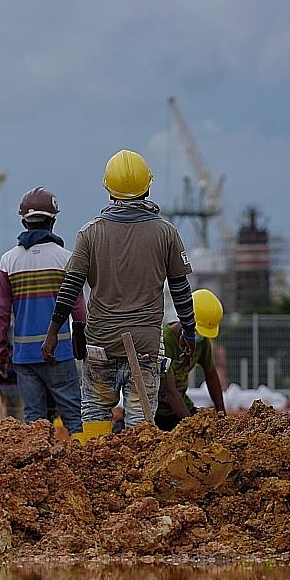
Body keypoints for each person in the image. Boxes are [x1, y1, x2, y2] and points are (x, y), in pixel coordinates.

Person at [44, 150, 196, 431]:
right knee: (139, 426)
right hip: (145, 346)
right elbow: (181, 289)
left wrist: (53, 332)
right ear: (148, 187)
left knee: (94, 414)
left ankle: (95, 472)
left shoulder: (90, 233)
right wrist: (189, 330)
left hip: (101, 342)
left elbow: (70, 288)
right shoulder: (166, 232)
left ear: (108, 189)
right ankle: (138, 473)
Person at [0, 187, 86, 431]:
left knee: (34, 421)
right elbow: (79, 311)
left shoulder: (8, 261)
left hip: (24, 356)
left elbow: (2, 314)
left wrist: (1, 353)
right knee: (73, 417)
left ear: (24, 221)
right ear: (52, 220)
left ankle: (38, 468)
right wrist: (81, 347)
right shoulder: (66, 259)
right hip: (60, 352)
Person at [156, 288, 227, 431]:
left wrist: (221, 415)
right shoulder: (165, 342)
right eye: (196, 331)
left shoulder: (202, 342)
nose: (198, 337)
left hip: (182, 406)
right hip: (157, 411)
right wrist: (192, 425)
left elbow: (211, 375)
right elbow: (169, 390)